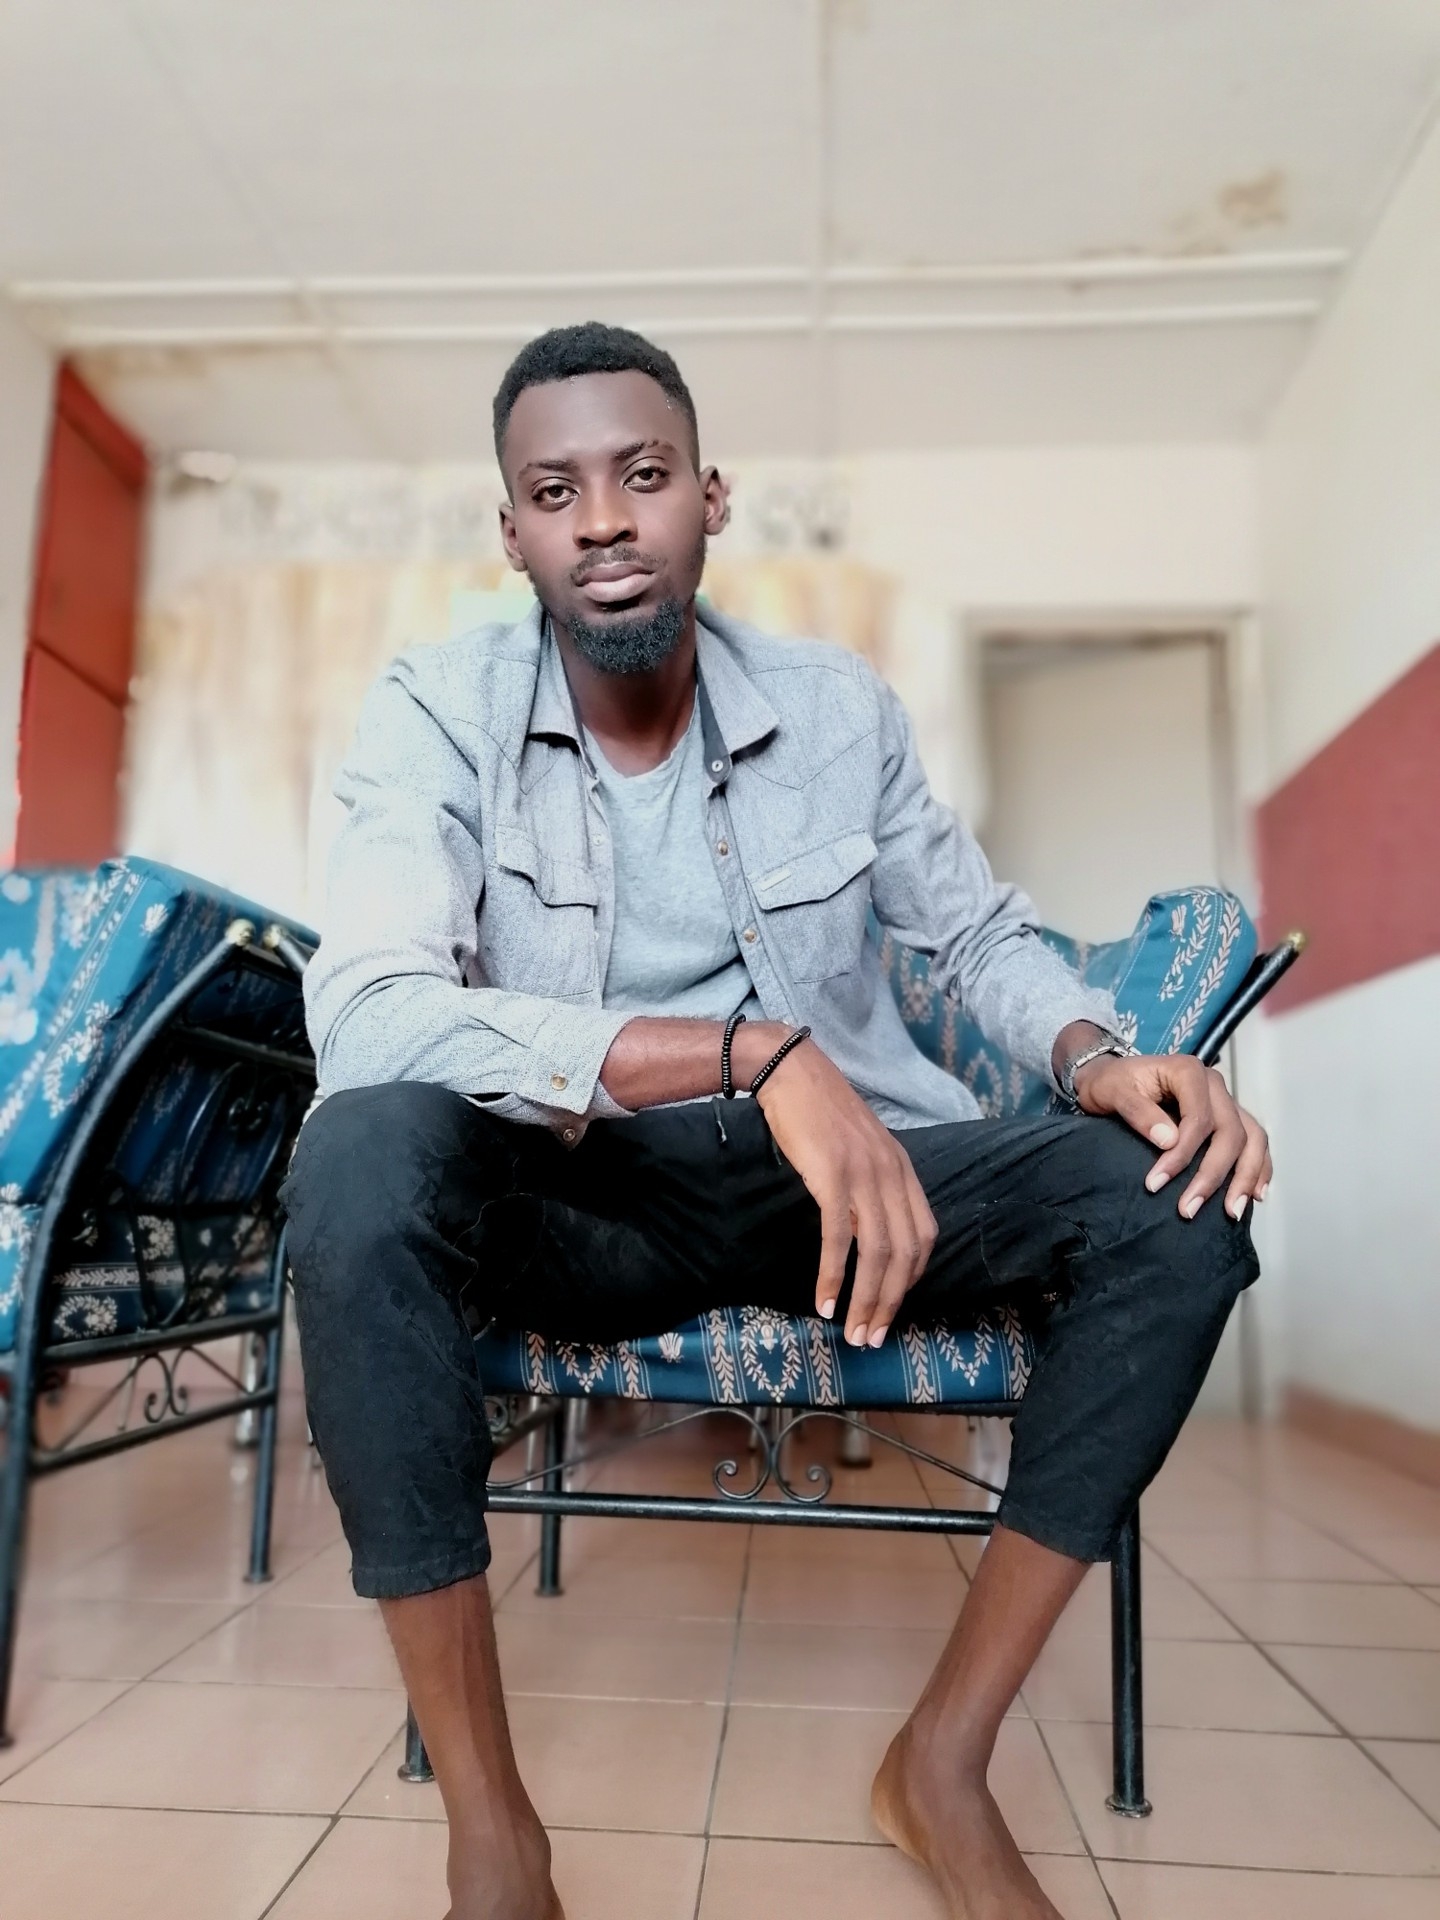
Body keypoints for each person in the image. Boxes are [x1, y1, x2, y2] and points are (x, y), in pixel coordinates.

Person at [282, 322, 1270, 1920]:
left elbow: (977, 932)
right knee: (357, 1150)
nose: (606, 519)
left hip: (853, 1199)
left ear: (711, 498)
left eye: (643, 474)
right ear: (513, 531)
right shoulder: (435, 710)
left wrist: (1094, 1053)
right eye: (557, 491)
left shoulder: (836, 707)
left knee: (1178, 1202)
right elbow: (371, 1012)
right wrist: (748, 1052)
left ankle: (941, 1762)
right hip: (590, 1198)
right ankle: (493, 1832)